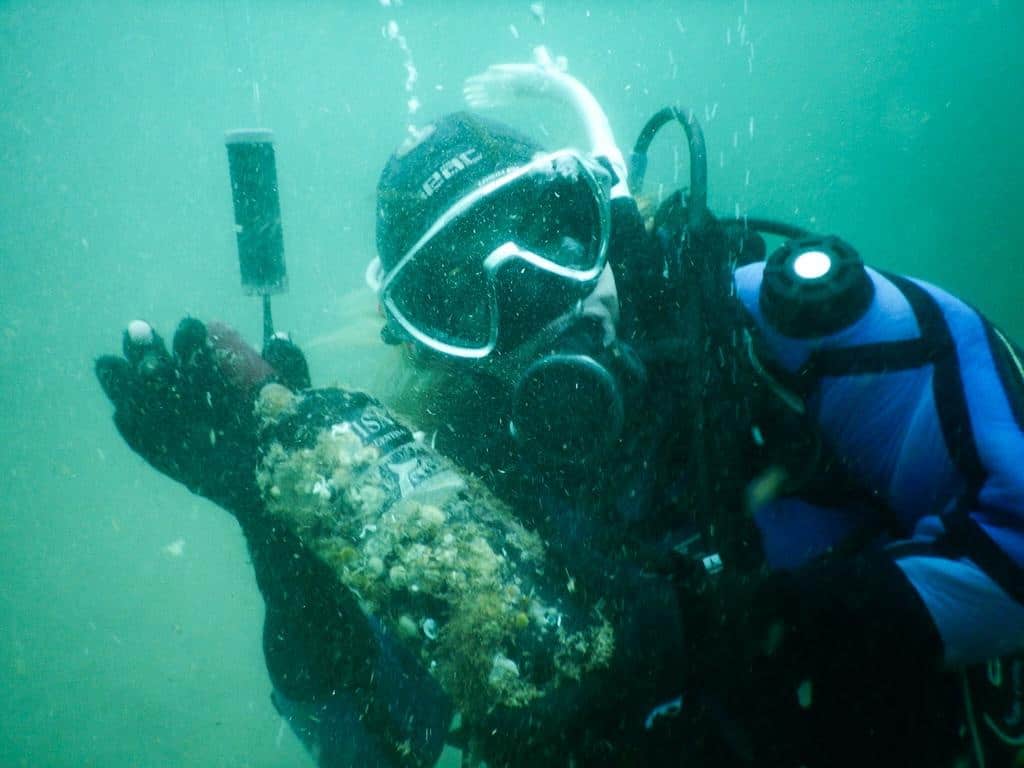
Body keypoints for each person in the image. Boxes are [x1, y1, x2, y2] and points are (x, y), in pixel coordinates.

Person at [96, 52, 1024, 767]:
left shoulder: (778, 333)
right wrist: (277, 516)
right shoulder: (444, 489)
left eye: (546, 235)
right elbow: (377, 746)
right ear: (418, 338)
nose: (528, 300)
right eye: (458, 299)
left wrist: (728, 631)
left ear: (606, 215)